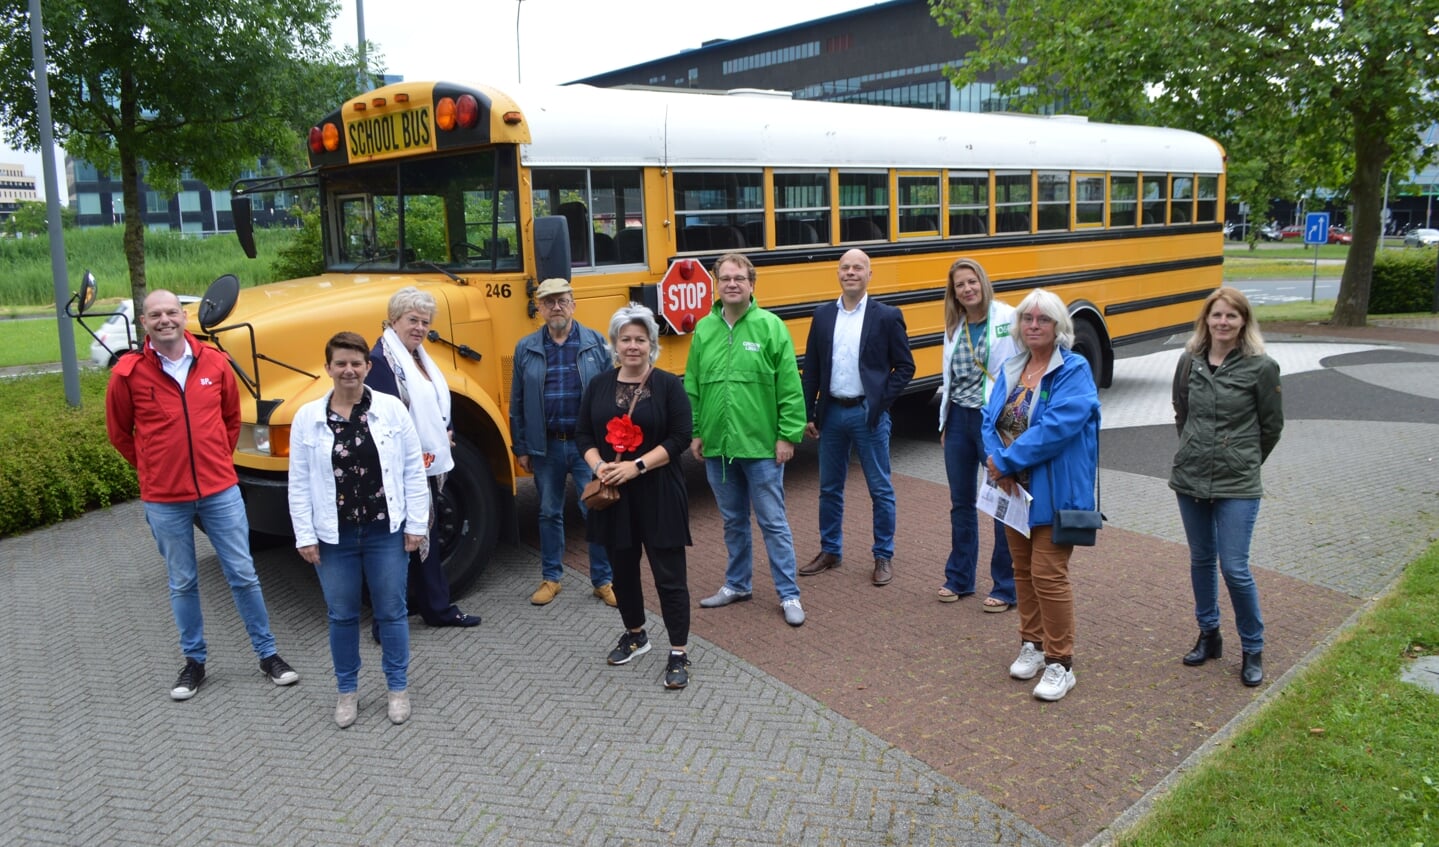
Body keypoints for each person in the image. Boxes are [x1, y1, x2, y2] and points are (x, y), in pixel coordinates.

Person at [105, 289, 300, 702]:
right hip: (165, 498)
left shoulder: (213, 362)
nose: (165, 320)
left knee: (243, 574)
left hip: (219, 491)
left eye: (171, 312)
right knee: (182, 581)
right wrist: (152, 468)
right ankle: (194, 662)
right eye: (155, 314)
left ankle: (268, 655)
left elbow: (231, 418)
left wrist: (215, 460)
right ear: (144, 323)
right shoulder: (128, 373)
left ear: (183, 317)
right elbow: (120, 433)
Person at [288, 332, 429, 728]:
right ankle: (347, 691)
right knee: (342, 615)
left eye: (356, 363)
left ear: (368, 366)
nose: (348, 370)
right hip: (335, 538)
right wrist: (305, 534)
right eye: (340, 363)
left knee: (391, 611)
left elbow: (411, 470)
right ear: (328, 367)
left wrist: (416, 525)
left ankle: (397, 688)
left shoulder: (391, 410)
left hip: (386, 530)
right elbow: (298, 481)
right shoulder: (308, 417)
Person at [982, 289, 1099, 702]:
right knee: (1022, 569)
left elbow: (1056, 426)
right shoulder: (1013, 365)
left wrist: (1007, 461)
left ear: (1058, 326)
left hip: (1054, 489)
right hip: (1013, 490)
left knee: (1048, 573)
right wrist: (997, 462)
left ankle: (1060, 663)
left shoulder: (1074, 370)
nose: (1033, 325)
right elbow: (987, 417)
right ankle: (1031, 644)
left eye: (1043, 319)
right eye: (1027, 319)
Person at [686, 253, 810, 627]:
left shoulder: (771, 327)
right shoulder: (704, 331)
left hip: (761, 450)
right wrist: (696, 431)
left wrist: (788, 435)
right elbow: (693, 386)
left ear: (752, 284)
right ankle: (737, 584)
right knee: (733, 521)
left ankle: (789, 594)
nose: (732, 284)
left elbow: (790, 387)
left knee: (773, 522)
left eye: (739, 278)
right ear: (716, 284)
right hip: (718, 449)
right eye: (725, 278)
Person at [1170, 287, 1283, 687]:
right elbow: (1181, 412)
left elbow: (1271, 427)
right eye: (1217, 315)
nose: (1223, 323)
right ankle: (1209, 634)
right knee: (1201, 559)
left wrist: (1243, 460)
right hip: (1191, 477)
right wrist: (1195, 450)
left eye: (1231, 317)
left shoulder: (1261, 367)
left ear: (1243, 322)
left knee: (1234, 567)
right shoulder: (1189, 362)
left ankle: (1252, 647)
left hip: (1238, 483)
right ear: (1206, 320)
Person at [577, 304, 695, 689]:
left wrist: (636, 467)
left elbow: (679, 438)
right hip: (614, 498)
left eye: (639, 339)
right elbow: (583, 435)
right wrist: (598, 467)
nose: (632, 346)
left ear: (651, 344)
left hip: (658, 491)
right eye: (625, 339)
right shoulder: (598, 385)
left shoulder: (668, 385)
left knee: (669, 577)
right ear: (614, 344)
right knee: (623, 573)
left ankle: (678, 651)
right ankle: (636, 633)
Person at [798, 248, 915, 587]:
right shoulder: (822, 316)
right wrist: (809, 412)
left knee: (880, 488)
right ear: (838, 273)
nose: (851, 272)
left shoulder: (887, 316)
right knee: (829, 487)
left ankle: (883, 555)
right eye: (845, 267)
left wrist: (880, 401)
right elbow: (813, 369)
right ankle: (830, 550)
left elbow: (905, 366)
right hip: (831, 412)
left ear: (869, 274)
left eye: (858, 268)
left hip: (868, 414)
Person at [367, 287, 480, 630]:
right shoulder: (382, 361)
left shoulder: (416, 355)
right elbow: (385, 418)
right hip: (401, 466)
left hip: (426, 460)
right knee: (399, 543)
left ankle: (434, 608)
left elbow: (434, 402)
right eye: (412, 320)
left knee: (422, 535)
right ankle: (388, 620)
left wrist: (446, 432)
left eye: (424, 321)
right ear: (394, 320)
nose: (419, 327)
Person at [510, 278, 616, 607]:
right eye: (549, 301)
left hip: (588, 447)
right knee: (548, 513)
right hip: (548, 446)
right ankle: (551, 578)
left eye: (562, 300)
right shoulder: (525, 348)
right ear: (539, 308)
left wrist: (609, 445)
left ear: (573, 304)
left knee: (595, 510)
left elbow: (610, 397)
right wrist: (523, 446)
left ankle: (603, 580)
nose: (556, 306)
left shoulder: (596, 344)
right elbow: (517, 403)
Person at [935, 259, 1018, 609]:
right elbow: (949, 377)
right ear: (953, 292)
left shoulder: (1008, 318)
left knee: (1001, 503)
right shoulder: (954, 326)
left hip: (992, 423)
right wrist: (944, 423)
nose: (967, 289)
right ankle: (959, 578)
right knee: (961, 502)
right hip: (957, 420)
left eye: (972, 282)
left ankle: (1005, 586)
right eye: (960, 285)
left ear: (983, 282)